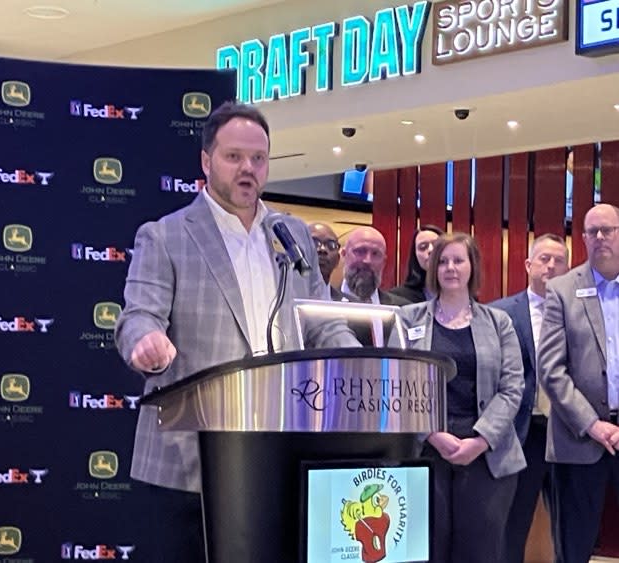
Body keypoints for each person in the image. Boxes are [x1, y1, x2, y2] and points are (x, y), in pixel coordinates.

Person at [114, 101, 359, 562]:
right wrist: (146, 342)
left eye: (259, 158)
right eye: (234, 157)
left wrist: (362, 362)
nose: (248, 168)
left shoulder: (293, 234)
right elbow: (137, 317)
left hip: (278, 452)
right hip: (189, 462)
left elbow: (324, 322)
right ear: (206, 162)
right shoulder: (166, 235)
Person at [399, 233, 525, 563]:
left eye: (458, 260)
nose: (450, 267)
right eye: (442, 261)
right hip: (427, 447)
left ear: (473, 267)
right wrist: (432, 435)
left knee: (480, 551)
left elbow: (512, 388)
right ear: (432, 268)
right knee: (426, 548)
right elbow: (398, 385)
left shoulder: (499, 322)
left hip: (487, 453)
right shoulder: (408, 319)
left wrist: (480, 440)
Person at [538, 203, 619, 563]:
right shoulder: (562, 289)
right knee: (574, 547)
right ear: (583, 237)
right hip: (578, 439)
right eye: (593, 231)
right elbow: (551, 370)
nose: (600, 237)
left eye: (608, 230)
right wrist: (592, 424)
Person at [489, 234, 570, 563]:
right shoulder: (500, 314)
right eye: (544, 259)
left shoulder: (577, 312)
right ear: (528, 265)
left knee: (571, 521)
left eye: (559, 260)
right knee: (514, 522)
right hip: (524, 432)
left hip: (568, 431)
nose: (551, 266)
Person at [390, 224, 444, 303]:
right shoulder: (397, 297)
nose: (430, 250)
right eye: (423, 247)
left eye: (436, 245)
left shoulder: (465, 294)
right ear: (415, 256)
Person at [308, 222, 342, 300]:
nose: (322, 249)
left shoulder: (349, 306)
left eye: (331, 245)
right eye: (314, 242)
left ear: (337, 260)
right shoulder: (282, 298)